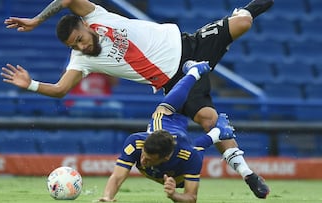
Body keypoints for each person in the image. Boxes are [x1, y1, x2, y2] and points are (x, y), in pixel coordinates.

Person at [0, 0, 273, 198]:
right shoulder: (82, 60)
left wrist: (37, 20)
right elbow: (60, 90)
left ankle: (246, 9)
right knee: (209, 120)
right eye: (74, 46)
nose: (81, 46)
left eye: (80, 39)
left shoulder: (97, 15)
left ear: (84, 24)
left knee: (243, 22)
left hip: (186, 44)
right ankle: (248, 174)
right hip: (174, 81)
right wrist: (31, 84)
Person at [98, 61, 236, 202]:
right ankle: (194, 73)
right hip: (168, 126)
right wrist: (107, 198)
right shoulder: (136, 143)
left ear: (166, 158)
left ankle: (217, 133)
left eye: (149, 159)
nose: (142, 160)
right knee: (161, 112)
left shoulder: (187, 156)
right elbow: (116, 177)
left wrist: (174, 195)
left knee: (197, 149)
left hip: (181, 166)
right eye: (144, 154)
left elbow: (191, 198)